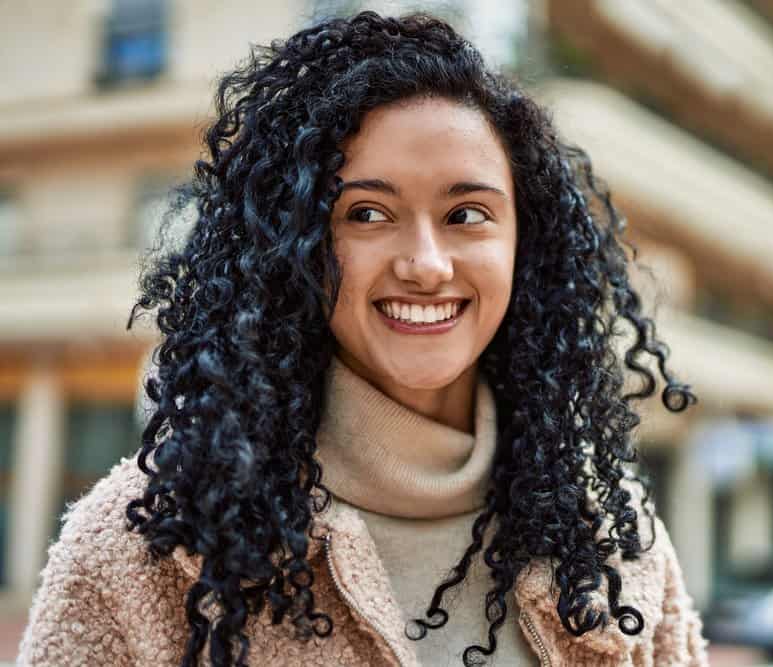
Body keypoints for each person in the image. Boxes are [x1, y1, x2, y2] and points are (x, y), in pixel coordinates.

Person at [18, 9, 707, 667]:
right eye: (368, 212)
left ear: (524, 245)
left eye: (467, 213)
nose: (427, 264)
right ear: (296, 244)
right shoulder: (146, 545)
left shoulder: (614, 542)